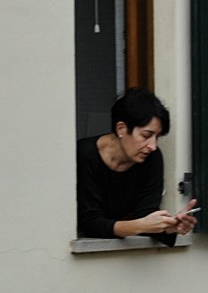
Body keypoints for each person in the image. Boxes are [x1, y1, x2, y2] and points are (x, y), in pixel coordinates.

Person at [76, 88, 197, 244]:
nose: (153, 146)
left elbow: (146, 212)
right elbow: (89, 222)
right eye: (146, 135)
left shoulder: (152, 158)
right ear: (121, 129)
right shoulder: (85, 154)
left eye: (157, 137)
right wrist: (139, 226)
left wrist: (170, 227)